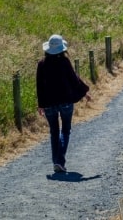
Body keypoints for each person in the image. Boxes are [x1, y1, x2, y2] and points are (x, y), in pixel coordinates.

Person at [36, 34, 91, 174]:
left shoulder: (42, 64)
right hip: (65, 102)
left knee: (54, 132)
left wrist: (41, 104)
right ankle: (59, 161)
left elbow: (39, 87)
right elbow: (74, 80)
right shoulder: (64, 62)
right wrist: (84, 92)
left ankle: (57, 162)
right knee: (65, 130)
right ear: (62, 49)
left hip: (48, 104)